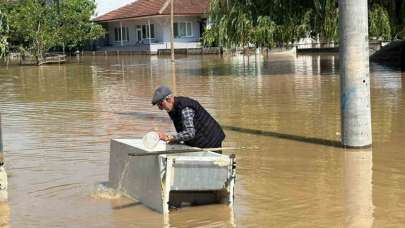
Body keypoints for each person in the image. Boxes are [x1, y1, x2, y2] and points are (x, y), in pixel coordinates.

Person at [152, 85, 225, 149]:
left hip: (211, 141)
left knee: (215, 163)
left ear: (169, 99)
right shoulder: (172, 109)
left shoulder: (185, 108)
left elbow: (190, 133)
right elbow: (183, 130)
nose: (160, 108)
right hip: (200, 141)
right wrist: (174, 140)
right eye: (158, 105)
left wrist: (170, 137)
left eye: (161, 104)